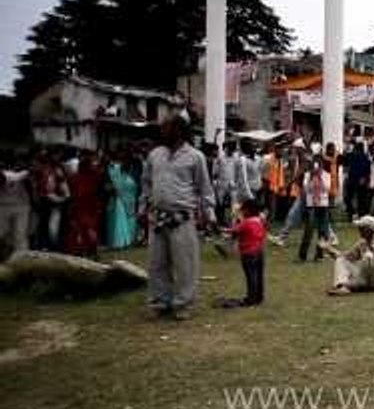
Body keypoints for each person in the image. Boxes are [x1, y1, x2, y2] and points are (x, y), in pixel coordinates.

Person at [140, 111, 217, 320]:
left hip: (182, 218)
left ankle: (183, 304)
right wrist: (142, 208)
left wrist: (209, 215)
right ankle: (160, 302)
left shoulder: (195, 156)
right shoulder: (155, 155)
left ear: (179, 130)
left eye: (166, 127)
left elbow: (205, 189)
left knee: (185, 264)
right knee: (157, 264)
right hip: (157, 217)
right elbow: (146, 183)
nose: (162, 130)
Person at [325, 215, 374, 295]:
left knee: (368, 256)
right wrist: (329, 249)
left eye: (361, 228)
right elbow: (345, 256)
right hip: (364, 279)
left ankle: (355, 285)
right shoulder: (361, 243)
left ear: (369, 230)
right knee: (341, 259)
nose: (359, 230)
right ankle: (342, 286)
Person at [226, 198, 266, 306]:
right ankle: (259, 296)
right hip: (259, 252)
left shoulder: (246, 223)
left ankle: (251, 298)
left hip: (248, 254)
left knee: (251, 276)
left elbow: (234, 231)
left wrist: (236, 219)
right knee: (259, 275)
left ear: (247, 211)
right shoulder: (259, 221)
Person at [64, 151, 103, 258]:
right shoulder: (94, 175)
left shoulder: (74, 177)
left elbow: (72, 192)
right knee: (89, 229)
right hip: (90, 205)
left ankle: (85, 250)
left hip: (81, 206)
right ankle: (92, 251)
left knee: (82, 230)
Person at [299, 155, 333, 263]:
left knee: (322, 231)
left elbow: (326, 189)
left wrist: (320, 178)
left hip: (322, 204)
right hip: (311, 205)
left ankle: (319, 254)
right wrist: (311, 178)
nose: (317, 166)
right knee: (309, 229)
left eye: (319, 163)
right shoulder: (307, 175)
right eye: (315, 163)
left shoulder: (326, 175)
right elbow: (306, 189)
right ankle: (303, 254)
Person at [0, 151, 32, 260]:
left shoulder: (25, 171)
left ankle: (22, 259)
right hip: (3, 206)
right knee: (3, 233)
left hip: (22, 206)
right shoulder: (18, 173)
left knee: (19, 235)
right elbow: (14, 177)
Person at [105, 151, 139, 250]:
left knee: (120, 221)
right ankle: (122, 241)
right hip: (120, 199)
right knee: (120, 221)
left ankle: (121, 242)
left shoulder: (116, 169)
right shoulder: (116, 169)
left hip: (121, 199)